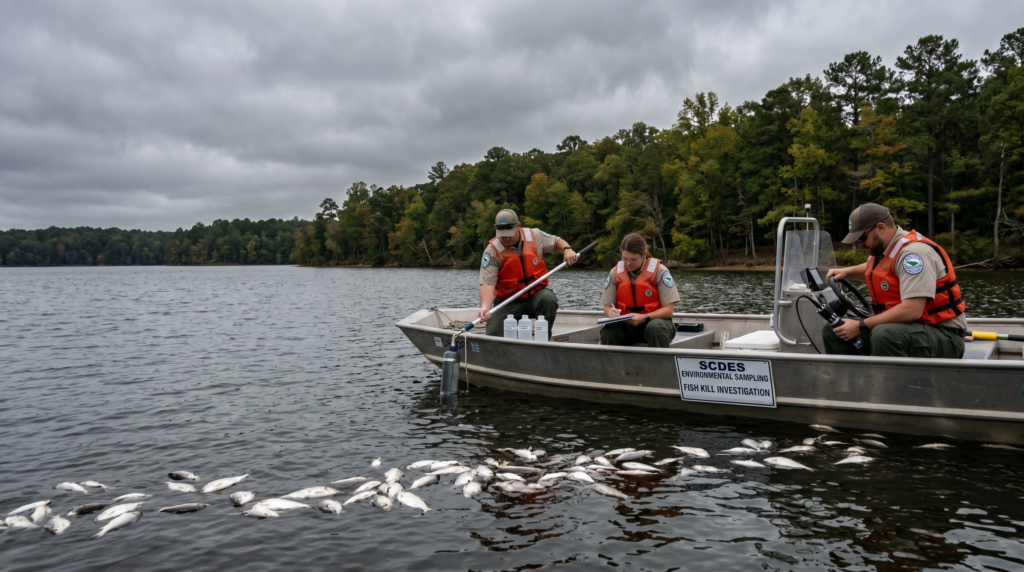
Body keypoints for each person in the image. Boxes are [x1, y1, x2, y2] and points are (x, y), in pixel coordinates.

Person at [823, 203, 966, 358]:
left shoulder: (913, 255)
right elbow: (878, 269)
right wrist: (846, 272)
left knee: (883, 334)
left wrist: (861, 325)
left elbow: (913, 310)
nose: (860, 244)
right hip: (908, 330)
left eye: (862, 238)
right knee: (835, 330)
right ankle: (854, 381)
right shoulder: (883, 250)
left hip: (944, 335)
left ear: (881, 228)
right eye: (857, 240)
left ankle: (894, 382)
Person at [477, 209, 578, 336]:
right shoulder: (491, 252)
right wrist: (485, 307)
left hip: (535, 297)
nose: (506, 238)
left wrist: (567, 249)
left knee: (548, 299)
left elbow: (556, 241)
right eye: (502, 235)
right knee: (493, 332)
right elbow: (487, 284)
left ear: (518, 226)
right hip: (508, 301)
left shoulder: (535, 235)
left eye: (509, 233)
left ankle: (544, 339)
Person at [599, 233, 679, 347]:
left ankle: (660, 363)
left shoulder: (660, 272)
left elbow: (668, 310)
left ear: (644, 254)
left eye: (633, 259)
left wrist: (645, 317)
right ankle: (612, 364)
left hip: (656, 324)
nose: (628, 263)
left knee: (655, 328)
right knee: (609, 330)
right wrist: (610, 312)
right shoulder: (614, 273)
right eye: (624, 258)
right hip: (627, 326)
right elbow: (607, 307)